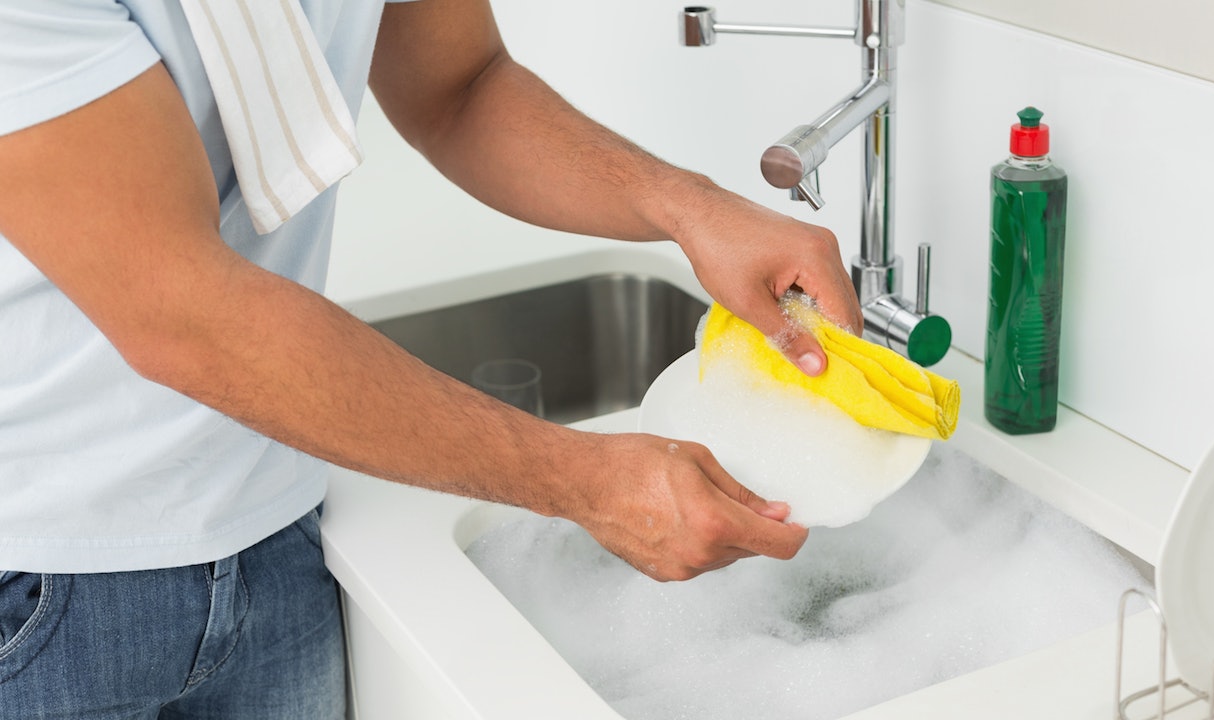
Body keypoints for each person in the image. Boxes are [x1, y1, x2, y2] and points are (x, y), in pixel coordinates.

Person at [0, 0, 862, 716]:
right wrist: (585, 481)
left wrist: (691, 208)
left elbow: (460, 85)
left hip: (277, 521)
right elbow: (184, 312)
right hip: (46, 580)